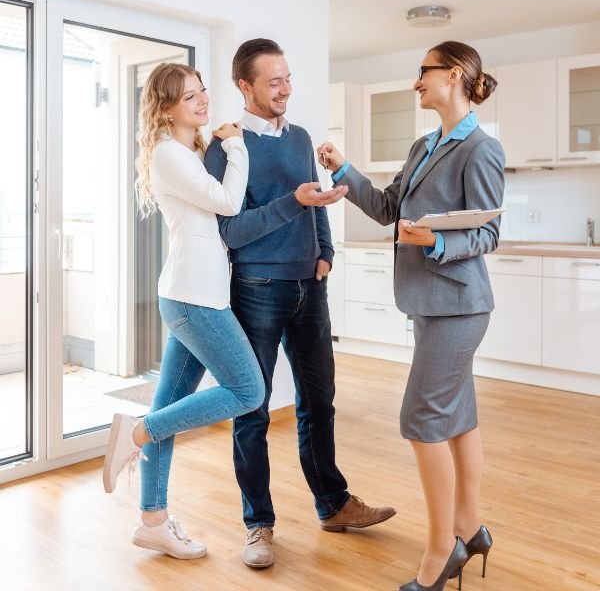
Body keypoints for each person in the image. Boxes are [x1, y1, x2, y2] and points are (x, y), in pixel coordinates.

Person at [318, 41, 504, 591]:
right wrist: (343, 169)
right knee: (457, 417)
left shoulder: (480, 149)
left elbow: (490, 233)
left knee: (421, 421)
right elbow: (387, 208)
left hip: (460, 305)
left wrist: (436, 244)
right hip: (430, 304)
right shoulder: (424, 144)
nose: (415, 82)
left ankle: (441, 548)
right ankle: (470, 529)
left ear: (452, 76)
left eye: (423, 72)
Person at [204, 38, 396, 569]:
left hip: (310, 288)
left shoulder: (302, 137)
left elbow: (315, 199)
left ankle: (333, 504)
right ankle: (258, 524)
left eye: (287, 78)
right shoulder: (226, 147)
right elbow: (232, 232)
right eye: (273, 81)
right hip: (257, 288)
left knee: (320, 403)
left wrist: (326, 253)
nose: (285, 88)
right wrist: (295, 203)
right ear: (245, 87)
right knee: (252, 408)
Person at [102, 62, 265, 560]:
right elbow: (227, 202)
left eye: (202, 92)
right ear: (167, 107)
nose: (202, 101)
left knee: (168, 407)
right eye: (189, 97)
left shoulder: (187, 150)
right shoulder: (171, 154)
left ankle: (152, 521)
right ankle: (136, 433)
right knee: (248, 389)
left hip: (194, 294)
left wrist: (218, 144)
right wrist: (237, 144)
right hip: (194, 299)